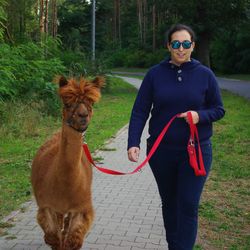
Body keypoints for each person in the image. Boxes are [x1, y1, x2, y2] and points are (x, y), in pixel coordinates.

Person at [127, 23, 225, 250]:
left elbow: (219, 109)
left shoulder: (205, 74)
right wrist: (133, 142)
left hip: (197, 151)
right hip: (161, 153)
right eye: (176, 44)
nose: (181, 49)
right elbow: (140, 110)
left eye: (186, 44)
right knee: (170, 203)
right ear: (168, 46)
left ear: (193, 45)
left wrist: (199, 116)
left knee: (188, 205)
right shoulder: (154, 74)